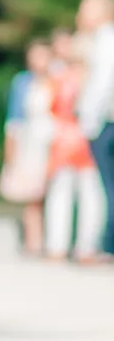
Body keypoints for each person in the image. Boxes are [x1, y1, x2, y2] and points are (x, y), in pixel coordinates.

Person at [46, 29, 107, 262]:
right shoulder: (87, 78)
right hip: (83, 137)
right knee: (89, 193)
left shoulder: (62, 77)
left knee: (65, 193)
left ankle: (59, 246)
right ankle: (85, 247)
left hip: (66, 138)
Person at [0, 40, 54, 255]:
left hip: (54, 141)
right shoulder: (22, 83)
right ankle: (34, 241)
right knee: (33, 194)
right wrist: (11, 148)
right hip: (31, 142)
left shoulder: (57, 80)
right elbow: (14, 120)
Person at [76, 0, 114, 260]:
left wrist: (88, 122)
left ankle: (108, 246)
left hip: (106, 123)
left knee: (108, 186)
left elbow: (101, 85)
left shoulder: (105, 40)